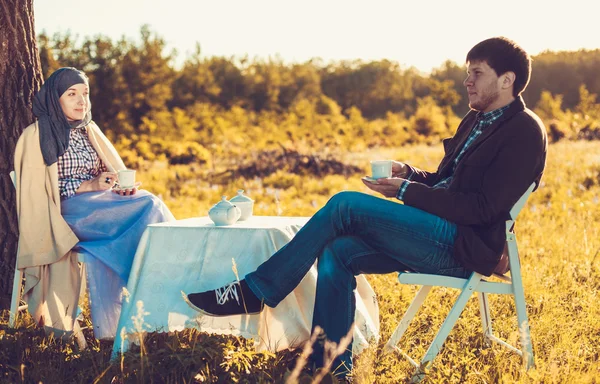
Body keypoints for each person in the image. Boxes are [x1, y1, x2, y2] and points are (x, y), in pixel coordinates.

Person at [182, 37, 548, 380]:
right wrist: (408, 173)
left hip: (461, 247)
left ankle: (256, 291)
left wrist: (404, 191)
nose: (466, 80)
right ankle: (329, 368)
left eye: (476, 73)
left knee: (344, 205)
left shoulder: (524, 131)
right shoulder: (476, 120)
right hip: (432, 231)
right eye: (467, 71)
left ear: (507, 79)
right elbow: (444, 181)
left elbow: (482, 209)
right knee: (338, 251)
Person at [14, 67, 175, 340]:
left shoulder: (88, 129)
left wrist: (117, 187)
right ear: (55, 98)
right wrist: (86, 186)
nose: (81, 101)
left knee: (147, 203)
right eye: (72, 94)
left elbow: (108, 170)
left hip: (98, 206)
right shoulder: (36, 134)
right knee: (149, 207)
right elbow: (37, 191)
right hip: (65, 213)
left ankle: (149, 301)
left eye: (85, 94)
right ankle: (159, 291)